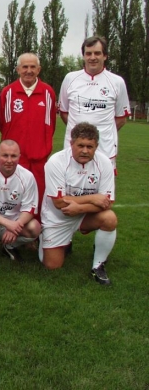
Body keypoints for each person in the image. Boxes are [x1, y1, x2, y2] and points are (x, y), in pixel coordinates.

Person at [40, 122, 117, 285]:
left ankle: (98, 265)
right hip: (57, 218)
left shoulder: (104, 163)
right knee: (52, 265)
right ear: (71, 143)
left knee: (110, 218)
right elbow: (59, 202)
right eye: (80, 145)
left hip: (84, 216)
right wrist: (93, 198)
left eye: (90, 146)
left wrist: (80, 208)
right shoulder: (56, 161)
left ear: (96, 146)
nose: (85, 151)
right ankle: (55, 239)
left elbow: (107, 202)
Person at [59, 36, 131, 170]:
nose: (92, 57)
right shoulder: (70, 79)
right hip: (73, 149)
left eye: (97, 53)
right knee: (72, 182)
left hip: (105, 149)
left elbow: (121, 119)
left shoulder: (117, 82)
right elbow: (64, 113)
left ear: (105, 56)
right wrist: (80, 133)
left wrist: (102, 132)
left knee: (104, 183)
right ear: (83, 56)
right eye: (88, 53)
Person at [0, 53, 56, 212]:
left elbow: (51, 124)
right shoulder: (8, 92)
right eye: (25, 67)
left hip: (39, 158)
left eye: (32, 67)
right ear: (18, 69)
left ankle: (36, 225)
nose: (28, 71)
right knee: (13, 196)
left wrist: (42, 147)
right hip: (14, 158)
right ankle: (11, 223)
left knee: (39, 195)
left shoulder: (48, 92)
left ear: (39, 69)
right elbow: (3, 123)